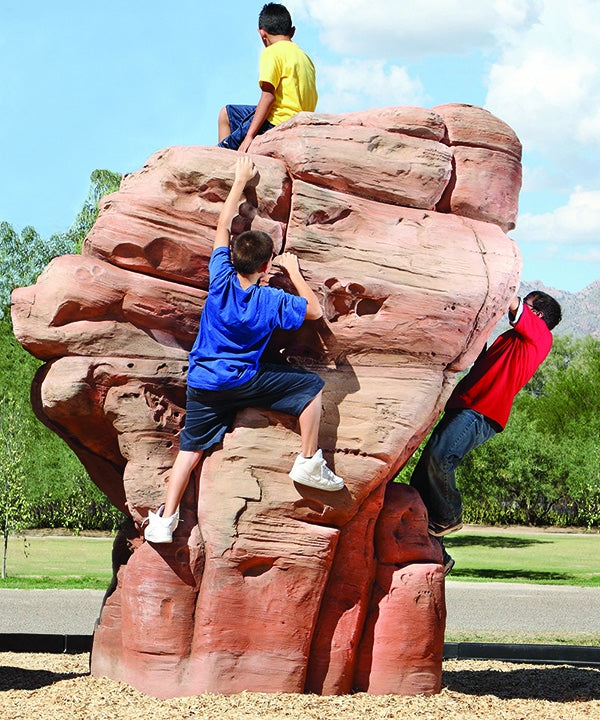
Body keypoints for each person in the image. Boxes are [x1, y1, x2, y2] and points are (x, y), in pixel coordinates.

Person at [143, 156, 344, 544]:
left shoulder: (219, 279)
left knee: (190, 449)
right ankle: (307, 462)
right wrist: (296, 273)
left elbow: (222, 226)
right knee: (312, 389)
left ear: (234, 258)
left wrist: (239, 181)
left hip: (203, 381)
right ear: (267, 266)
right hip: (243, 380)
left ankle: (164, 522)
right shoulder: (270, 300)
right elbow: (316, 311)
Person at [410, 291, 562, 574]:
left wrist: (501, 289)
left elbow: (513, 303)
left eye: (527, 305)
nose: (518, 310)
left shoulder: (540, 336)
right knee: (422, 478)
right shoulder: (511, 340)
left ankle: (449, 516)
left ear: (537, 315)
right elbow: (481, 361)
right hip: (464, 405)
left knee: (439, 458)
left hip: (482, 411)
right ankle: (438, 554)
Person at [217, 3, 317, 153]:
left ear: (262, 34)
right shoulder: (305, 58)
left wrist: (249, 136)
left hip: (276, 122)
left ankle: (225, 158)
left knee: (225, 129)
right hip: (301, 121)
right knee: (229, 113)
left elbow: (268, 97)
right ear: (293, 31)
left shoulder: (272, 52)